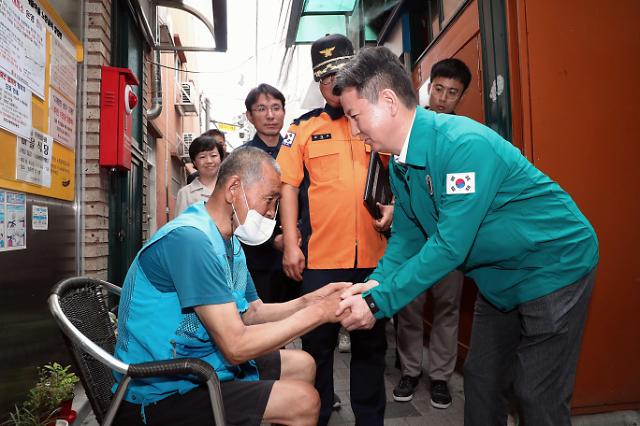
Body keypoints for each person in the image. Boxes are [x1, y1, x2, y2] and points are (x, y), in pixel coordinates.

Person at [334, 47, 598, 426]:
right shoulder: (400, 163)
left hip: (553, 267)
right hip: (497, 277)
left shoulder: (462, 145)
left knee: (536, 392)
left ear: (388, 102)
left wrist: (378, 304)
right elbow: (408, 238)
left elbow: (449, 245)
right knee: (481, 380)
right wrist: (375, 283)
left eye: (355, 117)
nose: (355, 131)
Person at [112, 147, 350, 426]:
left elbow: (252, 312)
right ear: (234, 188)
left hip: (200, 367)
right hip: (160, 389)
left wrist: (310, 301)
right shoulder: (192, 241)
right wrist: (319, 313)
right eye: (269, 200)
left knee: (304, 364)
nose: (272, 214)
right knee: (303, 401)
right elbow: (236, 345)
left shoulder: (228, 241)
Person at [276, 34, 392, 426]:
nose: (334, 82)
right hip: (321, 261)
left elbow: (398, 176)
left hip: (374, 258)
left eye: (341, 72)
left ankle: (370, 419)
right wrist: (292, 243)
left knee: (371, 347)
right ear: (317, 80)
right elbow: (288, 185)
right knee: (317, 349)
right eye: (325, 76)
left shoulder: (376, 119)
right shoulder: (304, 128)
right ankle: (318, 415)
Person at [392, 58, 471, 408]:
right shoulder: (413, 131)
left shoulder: (466, 136)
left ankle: (440, 376)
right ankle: (410, 370)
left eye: (452, 92)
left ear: (461, 96)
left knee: (448, 308)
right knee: (408, 306)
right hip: (414, 239)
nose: (443, 98)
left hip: (452, 243)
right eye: (438, 89)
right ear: (428, 88)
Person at [242, 83, 300, 304]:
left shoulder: (298, 149)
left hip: (300, 254)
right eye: (261, 109)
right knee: (263, 328)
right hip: (259, 260)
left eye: (276, 108)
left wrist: (296, 234)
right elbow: (238, 212)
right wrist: (273, 240)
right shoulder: (242, 158)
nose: (270, 115)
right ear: (249, 116)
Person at [175, 132, 225, 216]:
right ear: (194, 162)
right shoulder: (185, 194)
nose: (209, 161)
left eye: (213, 155)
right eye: (202, 157)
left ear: (220, 158)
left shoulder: (230, 188)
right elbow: (181, 227)